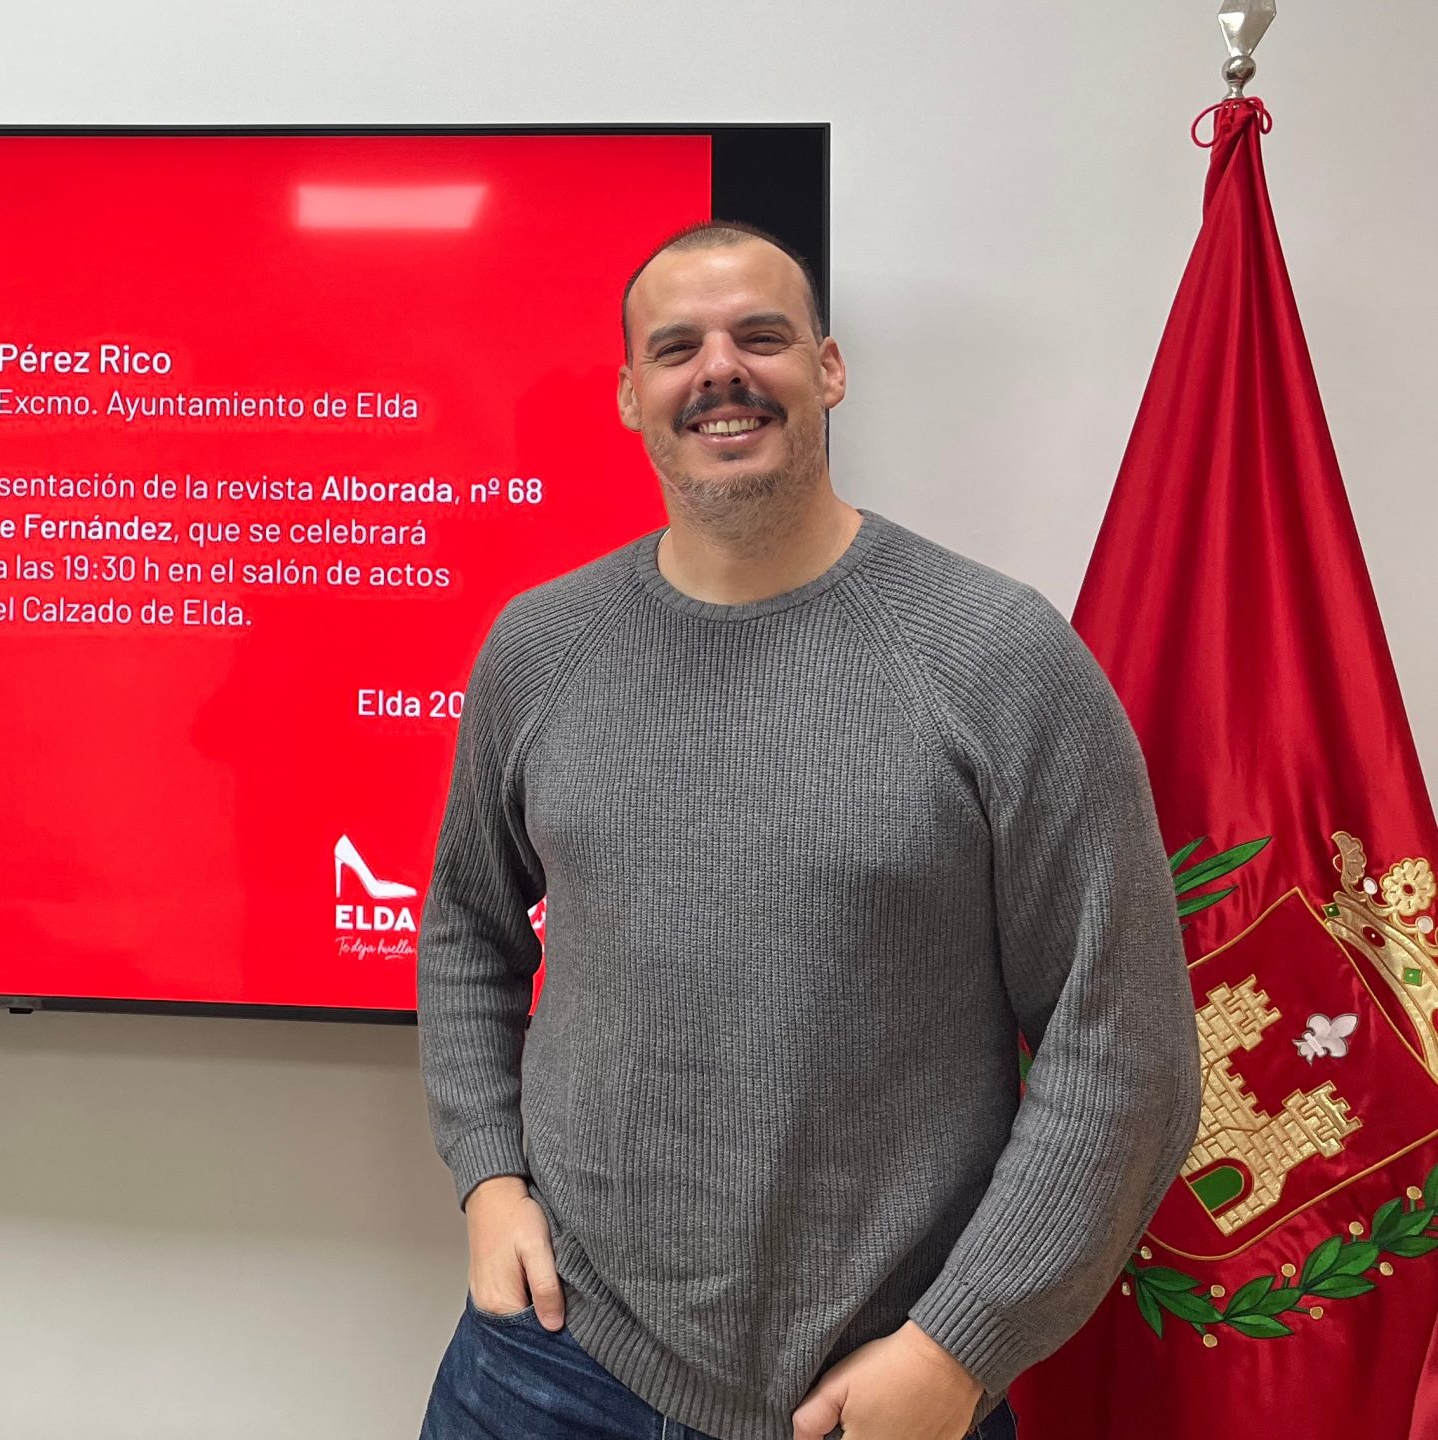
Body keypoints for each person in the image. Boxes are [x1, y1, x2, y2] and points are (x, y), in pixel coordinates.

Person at [414, 223, 1203, 1440]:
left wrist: (959, 1347)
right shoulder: (540, 647)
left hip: (879, 1387)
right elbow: (467, 925)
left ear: (827, 370)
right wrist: (487, 1176)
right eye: (676, 347)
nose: (719, 370)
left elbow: (1124, 1043)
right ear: (629, 395)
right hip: (551, 1357)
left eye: (761, 336)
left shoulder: (998, 656)